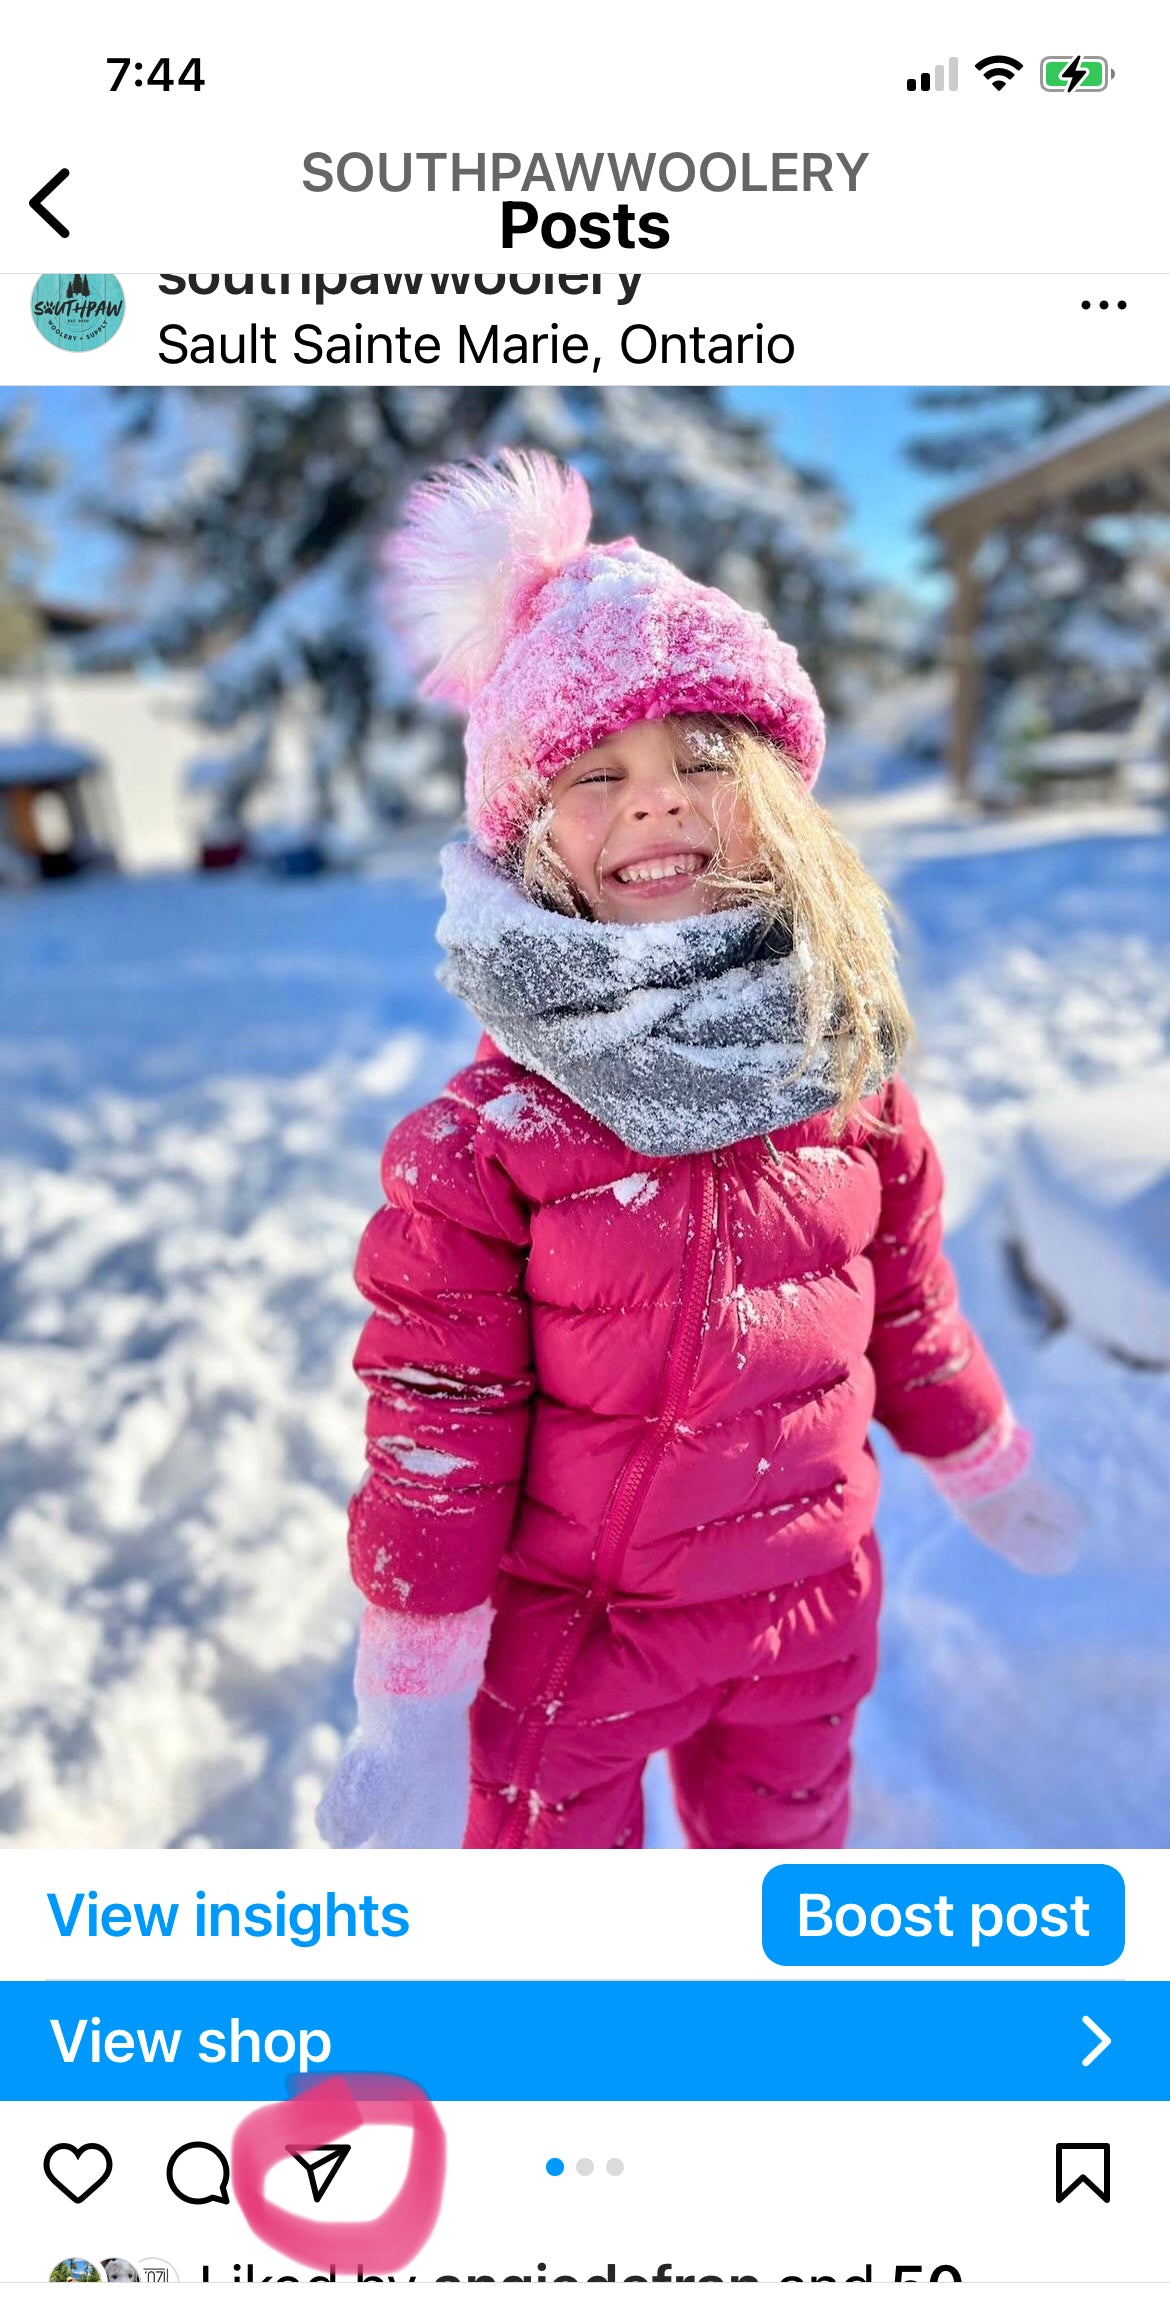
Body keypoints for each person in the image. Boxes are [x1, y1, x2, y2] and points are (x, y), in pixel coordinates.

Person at [317, 449, 1082, 1851]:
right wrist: (411, 1703)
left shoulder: (845, 1079)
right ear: (529, 831)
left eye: (701, 763)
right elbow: (440, 1432)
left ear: (776, 800)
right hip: (571, 1657)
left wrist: (984, 1457)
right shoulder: (489, 1149)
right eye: (595, 775)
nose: (656, 803)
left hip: (806, 1612)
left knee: (772, 1910)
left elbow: (906, 1310)